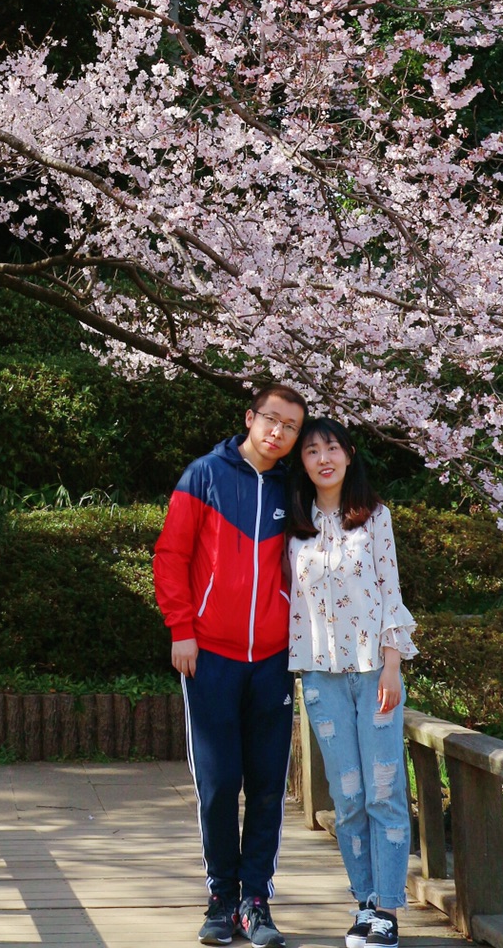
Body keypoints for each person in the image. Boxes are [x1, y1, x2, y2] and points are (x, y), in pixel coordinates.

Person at [153, 382, 308, 948]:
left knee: (268, 784)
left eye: (291, 427)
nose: (279, 433)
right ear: (250, 417)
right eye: (271, 419)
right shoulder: (205, 475)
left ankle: (255, 899)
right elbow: (171, 555)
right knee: (219, 783)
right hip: (210, 655)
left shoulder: (295, 489)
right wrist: (181, 630)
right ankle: (220, 896)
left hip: (272, 659)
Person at [287, 416, 417, 948]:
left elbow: (391, 589)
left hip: (374, 671)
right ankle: (363, 901)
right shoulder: (294, 526)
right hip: (320, 674)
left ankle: (388, 908)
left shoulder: (375, 517)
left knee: (384, 791)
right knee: (348, 796)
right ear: (303, 461)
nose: (323, 458)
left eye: (332, 448)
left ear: (349, 454)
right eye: (313, 449)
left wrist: (393, 662)